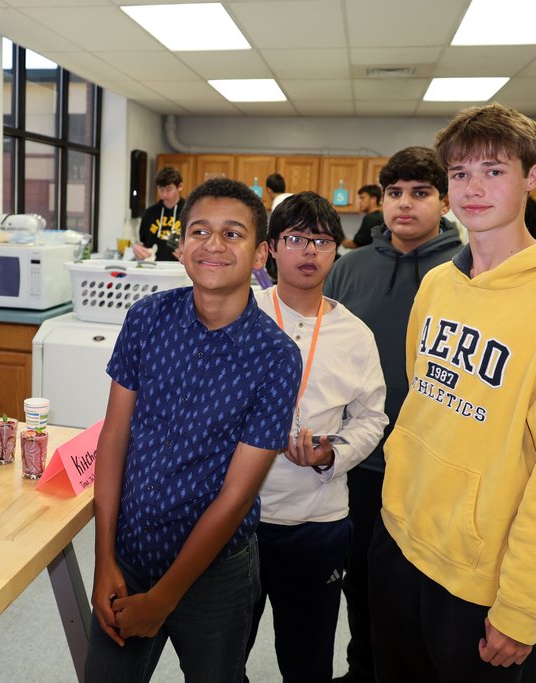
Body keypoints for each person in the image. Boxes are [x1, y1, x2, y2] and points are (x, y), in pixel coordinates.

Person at [369, 103, 536, 682]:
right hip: (402, 543)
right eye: (459, 174)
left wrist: (524, 606)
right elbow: (421, 406)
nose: (473, 188)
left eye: (494, 171)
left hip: (486, 580)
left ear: (532, 178)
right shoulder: (438, 284)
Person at [86, 177, 302, 683]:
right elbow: (114, 438)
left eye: (233, 234)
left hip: (215, 576)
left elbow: (236, 494)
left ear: (260, 254)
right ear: (181, 246)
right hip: (129, 552)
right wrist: (103, 560)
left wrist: (163, 599)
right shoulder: (146, 320)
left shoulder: (276, 358)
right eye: (200, 231)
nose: (213, 245)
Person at [324, 146, 462, 683]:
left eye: (421, 193)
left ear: (444, 201)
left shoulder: (464, 272)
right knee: (359, 581)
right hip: (361, 463)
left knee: (421, 588)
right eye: (394, 193)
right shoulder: (348, 270)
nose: (405, 204)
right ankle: (363, 673)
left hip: (433, 466)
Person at [245, 192, 388, 682]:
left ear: (336, 251)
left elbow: (372, 418)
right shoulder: (241, 317)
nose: (308, 251)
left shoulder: (355, 334)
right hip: (232, 520)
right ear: (270, 249)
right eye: (295, 239)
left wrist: (333, 454)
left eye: (321, 241)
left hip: (316, 520)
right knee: (216, 659)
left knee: (308, 662)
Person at [133, 166, 185, 262]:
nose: (164, 195)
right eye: (161, 190)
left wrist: (190, 258)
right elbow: (142, 243)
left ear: (180, 187)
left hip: (181, 269)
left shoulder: (191, 212)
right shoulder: (149, 213)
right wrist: (136, 249)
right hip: (153, 268)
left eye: (169, 189)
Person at [342, 184, 383, 249]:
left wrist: (339, 237)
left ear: (373, 199)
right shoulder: (381, 216)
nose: (359, 202)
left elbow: (356, 244)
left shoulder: (371, 218)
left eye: (362, 198)